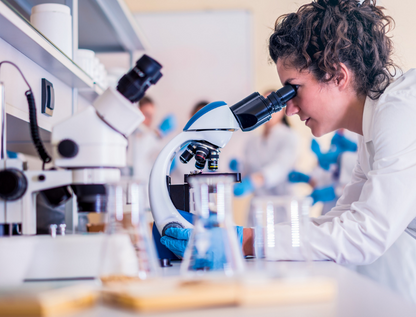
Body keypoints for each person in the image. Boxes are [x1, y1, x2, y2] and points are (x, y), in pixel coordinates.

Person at [161, 0, 416, 303]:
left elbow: (366, 233)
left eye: (293, 90)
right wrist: (244, 235)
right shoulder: (374, 123)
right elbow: (342, 217)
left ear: (337, 75)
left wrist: (247, 241)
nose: (290, 108)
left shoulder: (401, 111)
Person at [232, 90, 299, 198]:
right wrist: (239, 167)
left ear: (282, 109)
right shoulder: (252, 141)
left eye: (273, 105)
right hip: (258, 203)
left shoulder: (289, 136)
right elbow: (249, 169)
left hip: (282, 203)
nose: (268, 109)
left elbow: (280, 167)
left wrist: (253, 181)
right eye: (263, 105)